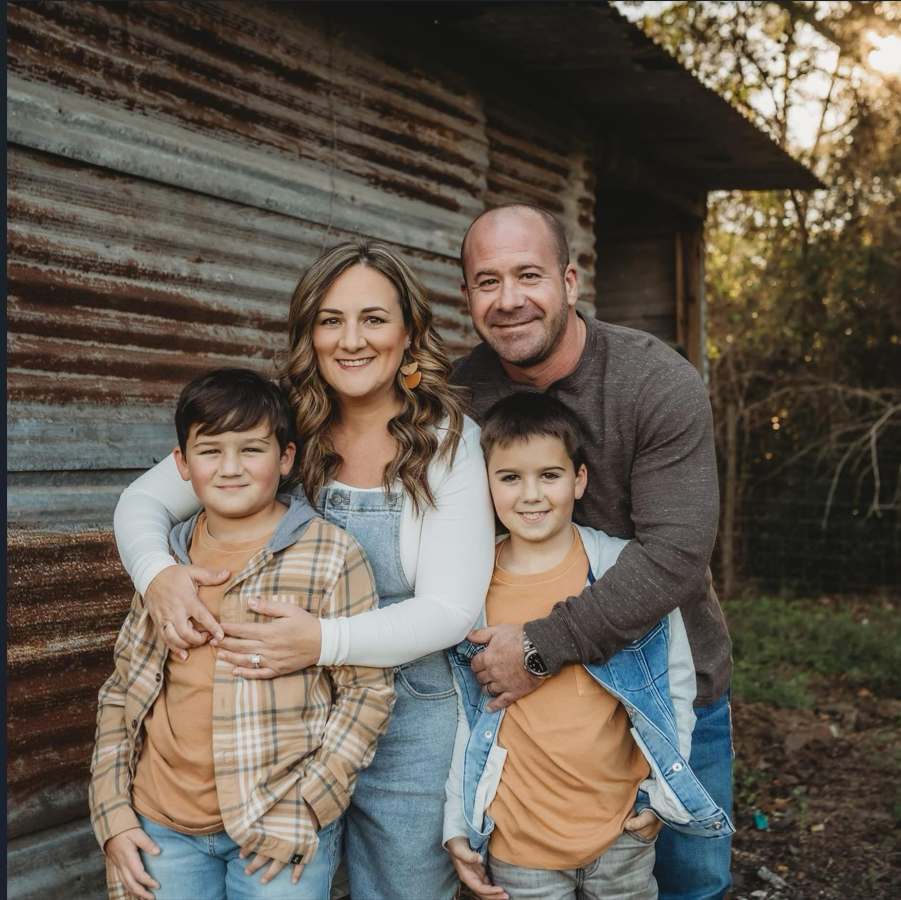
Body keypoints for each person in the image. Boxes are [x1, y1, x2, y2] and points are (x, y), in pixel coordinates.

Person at [111, 243, 496, 900]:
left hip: (404, 718)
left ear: (409, 333)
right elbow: (142, 501)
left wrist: (322, 641)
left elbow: (450, 610)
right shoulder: (278, 422)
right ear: (307, 332)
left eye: (373, 319)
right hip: (272, 726)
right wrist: (157, 576)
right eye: (329, 319)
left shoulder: (446, 442)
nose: (351, 340)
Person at [451, 203, 734, 900]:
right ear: (467, 297)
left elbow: (673, 551)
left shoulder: (652, 382)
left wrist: (542, 646)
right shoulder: (455, 398)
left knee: (687, 884)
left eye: (528, 275)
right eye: (487, 281)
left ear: (569, 281)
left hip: (660, 694)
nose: (509, 299)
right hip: (522, 718)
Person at [90, 368, 395, 900]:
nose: (230, 469)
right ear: (181, 464)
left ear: (286, 458)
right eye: (210, 451)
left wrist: (308, 806)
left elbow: (367, 692)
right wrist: (112, 813)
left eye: (252, 449)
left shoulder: (330, 555)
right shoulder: (164, 564)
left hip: (278, 821)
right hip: (160, 828)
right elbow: (122, 691)